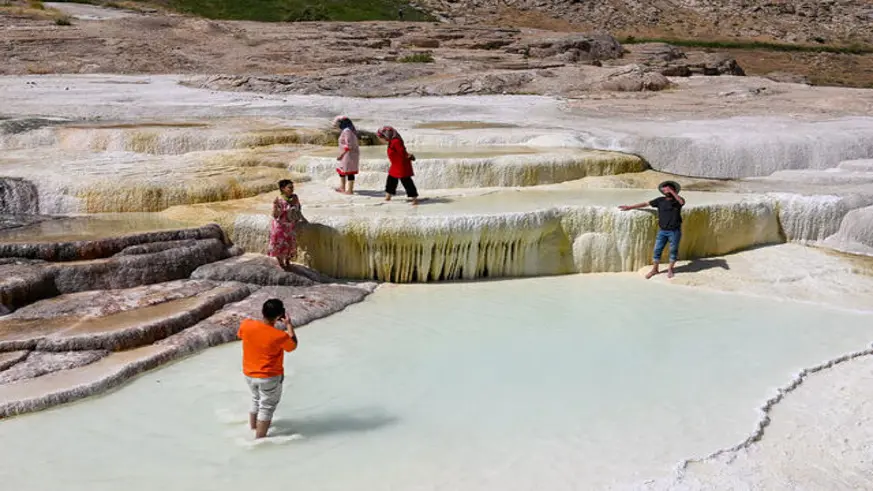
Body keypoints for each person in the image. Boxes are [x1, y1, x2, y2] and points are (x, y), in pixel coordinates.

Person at [238, 298, 298, 439]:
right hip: (268, 377)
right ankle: (259, 440)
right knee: (267, 407)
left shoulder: (246, 324)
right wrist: (288, 325)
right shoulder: (280, 336)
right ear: (279, 317)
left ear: (262, 312)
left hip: (249, 373)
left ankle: (252, 429)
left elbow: (241, 335)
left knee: (255, 399)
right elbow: (293, 345)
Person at [618, 180, 685, 279]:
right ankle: (655, 269)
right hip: (662, 231)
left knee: (673, 250)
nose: (666, 190)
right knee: (657, 250)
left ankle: (670, 269)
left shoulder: (677, 201)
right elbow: (646, 203)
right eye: (666, 189)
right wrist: (630, 207)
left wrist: (672, 192)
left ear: (674, 190)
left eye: (669, 188)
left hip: (674, 231)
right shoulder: (660, 200)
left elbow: (682, 202)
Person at [269, 179, 307, 270]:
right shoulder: (279, 200)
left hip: (290, 226)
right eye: (289, 187)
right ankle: (281, 263)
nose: (292, 189)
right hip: (280, 227)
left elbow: (298, 210)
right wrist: (275, 206)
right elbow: (275, 215)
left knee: (291, 245)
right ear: (282, 189)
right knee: (279, 245)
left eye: (292, 187)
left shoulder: (295, 198)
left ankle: (288, 261)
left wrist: (304, 220)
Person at [376, 126, 419, 205]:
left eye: (380, 137)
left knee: (406, 182)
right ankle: (388, 197)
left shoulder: (396, 141)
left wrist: (409, 156)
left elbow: (402, 152)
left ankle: (414, 199)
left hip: (401, 165)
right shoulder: (391, 141)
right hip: (395, 165)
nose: (380, 139)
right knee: (391, 181)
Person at [333, 116, 360, 195]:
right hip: (346, 154)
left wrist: (341, 155)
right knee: (342, 171)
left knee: (349, 172)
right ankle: (342, 187)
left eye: (338, 123)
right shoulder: (347, 130)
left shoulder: (347, 131)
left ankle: (350, 190)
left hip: (349, 155)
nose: (337, 124)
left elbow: (349, 145)